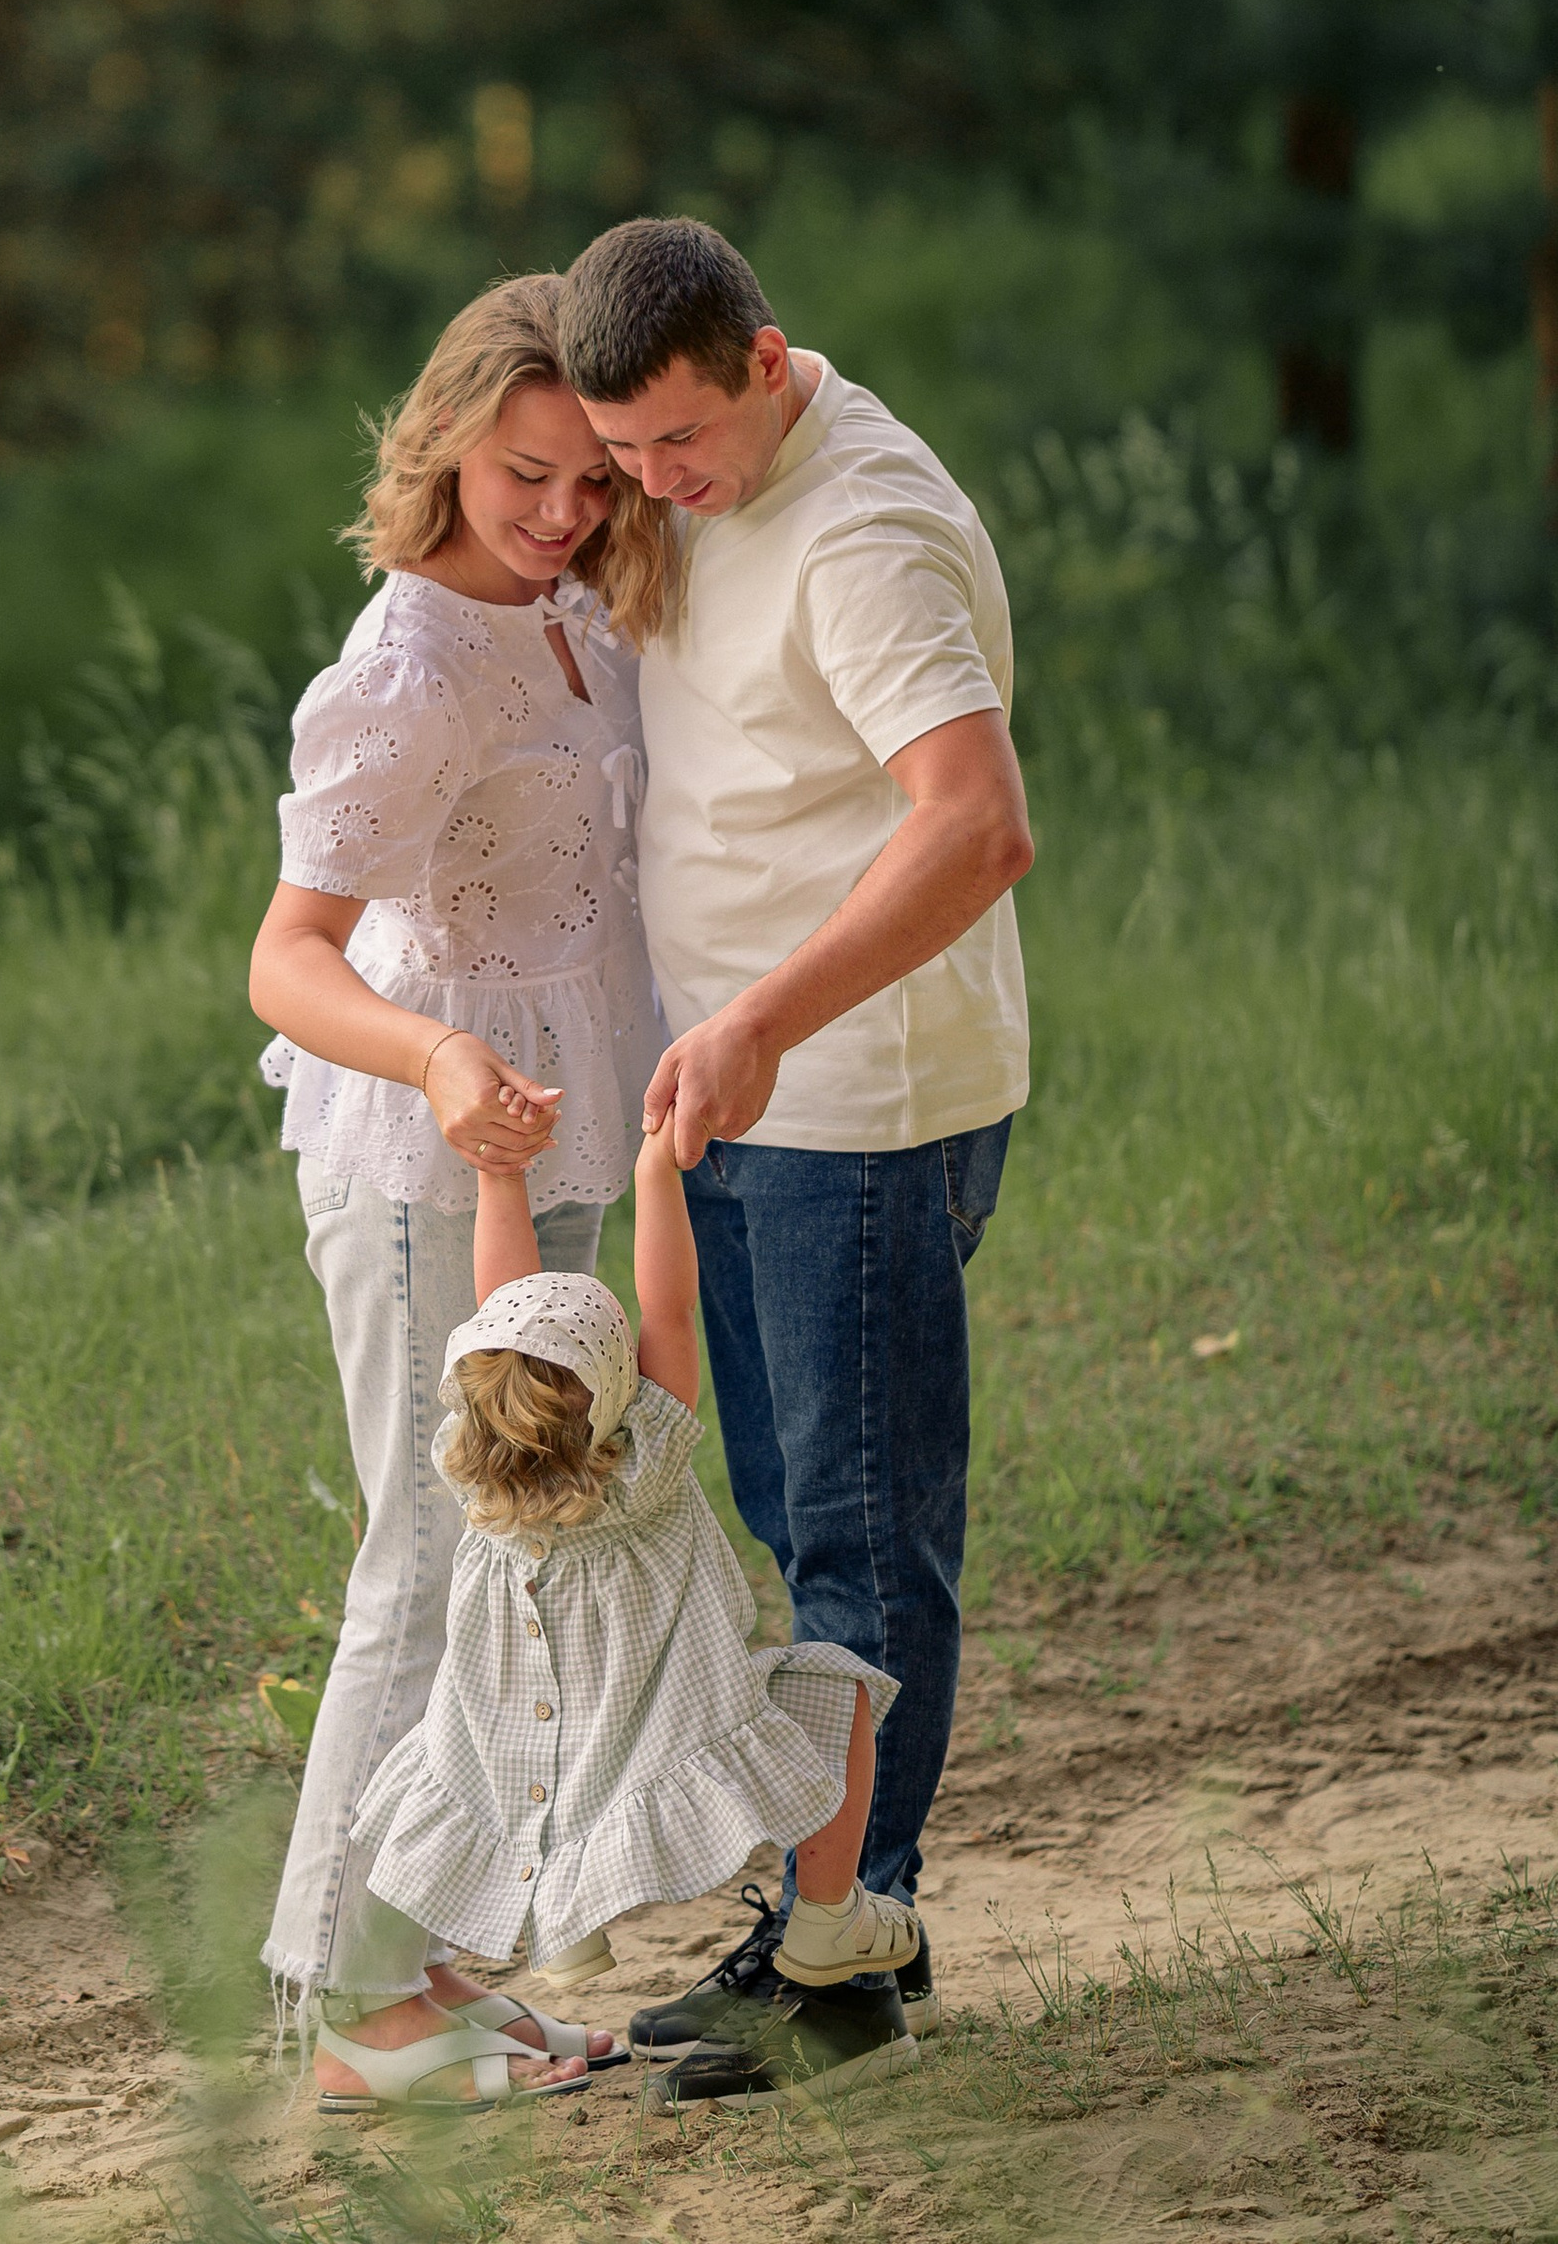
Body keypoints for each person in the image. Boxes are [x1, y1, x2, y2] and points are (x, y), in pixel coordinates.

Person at [555, 217, 1033, 2061]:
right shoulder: (696, 466)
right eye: (624, 461)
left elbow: (976, 823)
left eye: (678, 446)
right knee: (789, 1515)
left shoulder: (867, 529)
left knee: (853, 1539)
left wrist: (763, 1012)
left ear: (767, 360)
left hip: (854, 1096)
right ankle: (851, 1919)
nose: (654, 491)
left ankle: (838, 1951)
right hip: (739, 1088)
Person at [247, 273, 671, 2106]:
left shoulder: (573, 609)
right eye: (524, 470)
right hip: (433, 1152)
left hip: (550, 1134)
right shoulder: (406, 666)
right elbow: (287, 955)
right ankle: (345, 2009)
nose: (562, 508)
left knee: (513, 1559)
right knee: (421, 1564)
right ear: (441, 441)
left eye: (590, 476)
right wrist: (432, 1059)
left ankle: (424, 1968)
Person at [329, 1120, 915, 2113]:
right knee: (834, 1689)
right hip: (658, 1728)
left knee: (447, 1782)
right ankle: (826, 1915)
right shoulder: (641, 1464)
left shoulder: (471, 1467)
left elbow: (503, 1302)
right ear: (611, 1392)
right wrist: (655, 1166)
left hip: (527, 1757)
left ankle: (552, 1926)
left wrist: (498, 1174)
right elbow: (670, 1304)